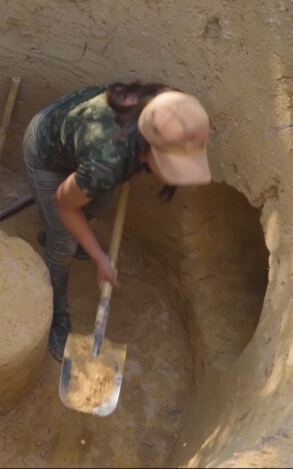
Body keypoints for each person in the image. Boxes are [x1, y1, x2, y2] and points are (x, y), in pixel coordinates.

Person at [22, 82, 212, 360]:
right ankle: (57, 311)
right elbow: (64, 203)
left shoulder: (166, 105)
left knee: (103, 201)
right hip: (44, 152)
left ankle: (61, 233)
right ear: (146, 147)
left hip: (79, 141)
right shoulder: (105, 163)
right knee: (63, 243)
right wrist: (100, 258)